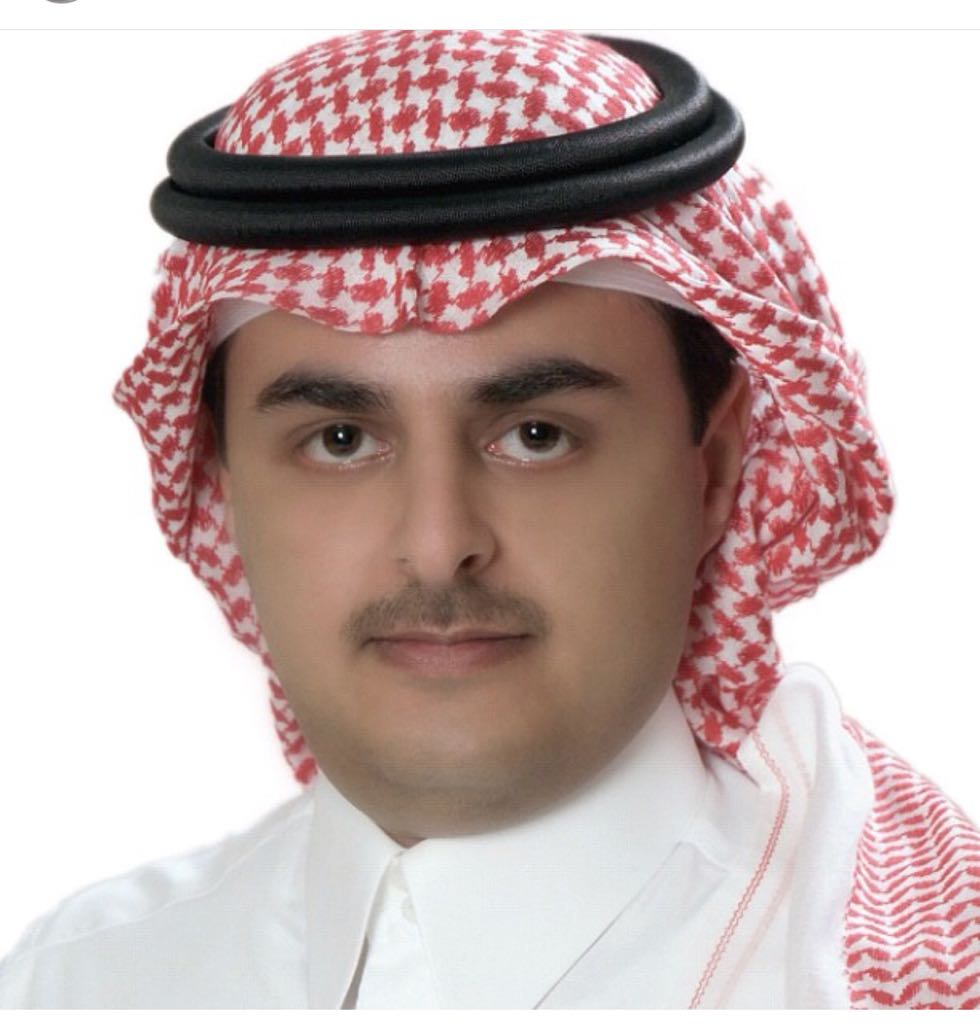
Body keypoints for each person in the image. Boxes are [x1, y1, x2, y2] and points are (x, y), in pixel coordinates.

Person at [1, 28, 977, 1010]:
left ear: (712, 467)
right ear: (224, 481)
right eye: (340, 440)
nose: (438, 545)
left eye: (537, 435)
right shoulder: (73, 985)